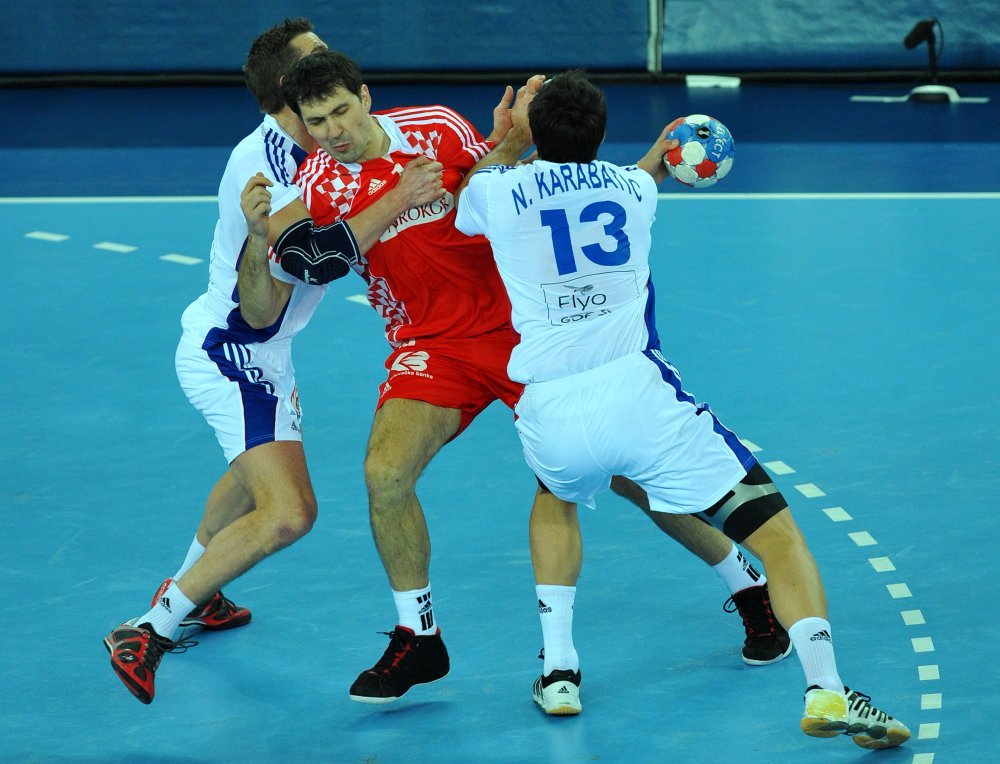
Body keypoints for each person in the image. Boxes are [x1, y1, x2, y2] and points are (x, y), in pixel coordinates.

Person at [279, 50, 791, 710]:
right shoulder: (318, 181)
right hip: (431, 346)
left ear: (365, 97)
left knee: (629, 473)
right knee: (385, 473)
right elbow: (315, 260)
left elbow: (499, 184)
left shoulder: (435, 126)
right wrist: (396, 197)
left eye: (341, 112)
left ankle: (747, 585)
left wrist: (508, 138)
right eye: (317, 121)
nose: (333, 132)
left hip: (526, 331)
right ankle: (418, 633)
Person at [453, 70, 910, 749]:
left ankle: (559, 669)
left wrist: (510, 137)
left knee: (555, 497)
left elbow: (471, 191)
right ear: (602, 133)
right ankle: (826, 688)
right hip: (642, 402)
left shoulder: (496, 190)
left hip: (550, 407)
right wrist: (659, 154)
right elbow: (630, 180)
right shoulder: (633, 190)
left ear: (534, 129)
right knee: (778, 537)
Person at [102, 18, 446, 705]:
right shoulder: (271, 167)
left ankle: (201, 592)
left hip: (268, 351)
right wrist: (401, 197)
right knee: (290, 512)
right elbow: (315, 259)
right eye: (318, 56)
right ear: (292, 88)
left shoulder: (321, 143)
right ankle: (149, 627)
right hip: (235, 349)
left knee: (248, 477)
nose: (334, 58)